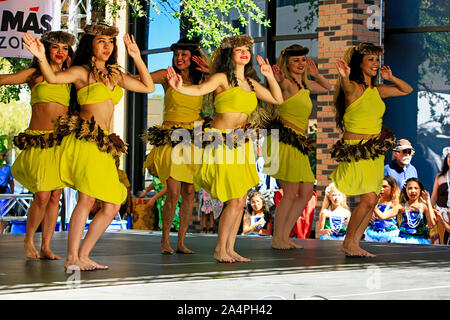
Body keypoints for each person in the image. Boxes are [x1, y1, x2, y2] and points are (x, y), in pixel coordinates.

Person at [23, 23, 155, 270]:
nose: (107, 47)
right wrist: (41, 57)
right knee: (86, 200)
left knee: (114, 202)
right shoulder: (82, 72)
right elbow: (52, 77)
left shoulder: (114, 75)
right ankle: (72, 257)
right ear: (90, 46)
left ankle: (82, 254)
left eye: (110, 42)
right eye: (101, 42)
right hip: (85, 141)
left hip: (105, 145)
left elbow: (149, 87)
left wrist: (136, 57)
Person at [167, 34, 283, 262]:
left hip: (242, 143)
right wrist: (179, 88)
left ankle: (230, 248)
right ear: (230, 55)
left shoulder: (251, 83)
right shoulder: (221, 78)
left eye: (246, 50)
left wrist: (269, 76)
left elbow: (277, 99)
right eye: (238, 49)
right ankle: (220, 249)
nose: (243, 53)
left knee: (240, 200)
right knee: (233, 199)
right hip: (221, 142)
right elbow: (199, 91)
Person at [330, 42, 413, 257]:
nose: (376, 64)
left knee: (373, 198)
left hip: (374, 152)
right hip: (357, 150)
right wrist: (345, 75)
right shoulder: (353, 87)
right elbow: (346, 86)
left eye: (377, 60)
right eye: (371, 60)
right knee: (368, 199)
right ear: (360, 63)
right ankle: (349, 242)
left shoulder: (378, 90)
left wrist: (391, 78)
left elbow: (407, 89)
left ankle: (354, 243)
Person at [0, 31, 75, 259]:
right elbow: (3, 79)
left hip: (61, 144)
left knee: (55, 197)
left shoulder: (70, 76)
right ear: (46, 49)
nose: (60, 52)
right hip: (39, 142)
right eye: (55, 47)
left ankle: (46, 245)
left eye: (64, 48)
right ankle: (29, 239)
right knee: (42, 195)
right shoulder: (34, 74)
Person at [142, 38, 208, 254]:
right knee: (173, 191)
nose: (179, 58)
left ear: (193, 58)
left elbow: (224, 80)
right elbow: (141, 79)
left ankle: (181, 241)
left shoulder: (203, 79)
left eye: (184, 55)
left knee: (189, 192)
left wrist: (208, 66)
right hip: (172, 137)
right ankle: (165, 240)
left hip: (193, 140)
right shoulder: (166, 75)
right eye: (177, 54)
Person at [263, 44, 331, 249]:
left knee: (307, 191)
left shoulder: (305, 86)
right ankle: (278, 238)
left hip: (298, 144)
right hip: (284, 142)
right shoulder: (285, 83)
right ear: (287, 63)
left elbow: (327, 87)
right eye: (296, 60)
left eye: (303, 60)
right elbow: (276, 87)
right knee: (291, 191)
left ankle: (284, 235)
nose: (301, 63)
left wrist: (316, 74)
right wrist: (273, 78)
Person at [391, 178, 437, 245]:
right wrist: (373, 206)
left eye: (416, 188)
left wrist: (428, 203)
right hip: (403, 241)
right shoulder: (401, 206)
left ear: (420, 190)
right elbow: (383, 216)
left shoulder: (424, 206)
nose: (413, 191)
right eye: (410, 188)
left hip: (421, 241)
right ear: (405, 190)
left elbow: (432, 223)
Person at [365, 175, 401, 242]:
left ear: (392, 188)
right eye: (379, 186)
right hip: (372, 234)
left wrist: (374, 206)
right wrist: (368, 218)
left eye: (385, 187)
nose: (381, 189)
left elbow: (383, 217)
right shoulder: (376, 200)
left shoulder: (396, 203)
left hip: (390, 237)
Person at [431, 146, 450, 245]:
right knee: (442, 241)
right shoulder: (440, 176)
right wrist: (429, 213)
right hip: (442, 215)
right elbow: (434, 197)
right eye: (449, 157)